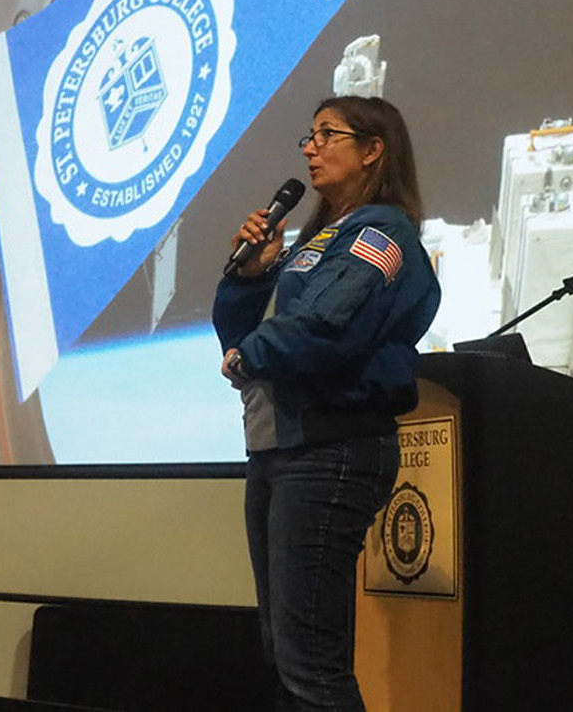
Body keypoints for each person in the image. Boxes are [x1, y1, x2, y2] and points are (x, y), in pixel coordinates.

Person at [213, 96, 441, 711]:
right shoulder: (317, 241)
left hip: (330, 450)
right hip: (277, 450)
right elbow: (239, 328)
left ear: (373, 150)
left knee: (310, 661)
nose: (310, 148)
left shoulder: (381, 234)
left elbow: (327, 325)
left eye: (326, 135)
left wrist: (248, 356)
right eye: (308, 137)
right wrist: (250, 277)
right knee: (287, 652)